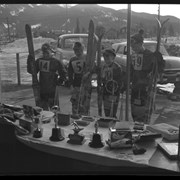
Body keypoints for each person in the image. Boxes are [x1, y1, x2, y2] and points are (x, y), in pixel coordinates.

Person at [130, 32, 165, 124]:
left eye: (134, 45)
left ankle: (144, 132)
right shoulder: (133, 56)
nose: (133, 48)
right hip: (135, 88)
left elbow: (159, 70)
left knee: (144, 116)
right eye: (131, 46)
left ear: (140, 43)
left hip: (146, 90)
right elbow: (130, 71)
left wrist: (159, 60)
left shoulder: (150, 55)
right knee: (135, 113)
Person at [27, 43, 67, 110]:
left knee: (54, 109)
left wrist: (59, 81)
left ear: (51, 51)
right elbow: (32, 71)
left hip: (52, 89)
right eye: (44, 52)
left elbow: (63, 73)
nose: (45, 54)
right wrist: (29, 62)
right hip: (42, 89)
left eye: (47, 52)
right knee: (43, 110)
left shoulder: (55, 61)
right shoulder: (39, 61)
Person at [101, 48, 125, 118]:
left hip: (113, 92)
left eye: (108, 56)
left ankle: (112, 123)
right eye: (104, 56)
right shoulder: (104, 66)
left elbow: (119, 81)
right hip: (105, 91)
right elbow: (103, 78)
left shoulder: (117, 67)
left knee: (112, 111)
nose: (106, 58)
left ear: (113, 57)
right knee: (107, 111)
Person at [68, 42, 86, 116]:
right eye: (76, 50)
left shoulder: (87, 59)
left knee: (84, 105)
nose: (78, 52)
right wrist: (71, 85)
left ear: (82, 49)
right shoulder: (72, 60)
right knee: (75, 103)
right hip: (76, 84)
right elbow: (70, 73)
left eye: (79, 50)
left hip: (85, 85)